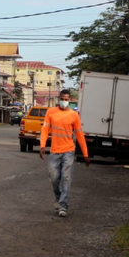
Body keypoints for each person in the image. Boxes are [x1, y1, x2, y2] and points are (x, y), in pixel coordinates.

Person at [39, 90, 90, 218]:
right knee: (54, 178)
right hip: (55, 152)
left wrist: (85, 154)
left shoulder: (74, 115)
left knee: (66, 178)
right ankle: (58, 197)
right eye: (62, 98)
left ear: (69, 100)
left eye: (66, 99)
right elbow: (45, 129)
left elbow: (79, 135)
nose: (64, 101)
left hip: (68, 151)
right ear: (59, 99)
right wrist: (42, 145)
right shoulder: (51, 112)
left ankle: (63, 206)